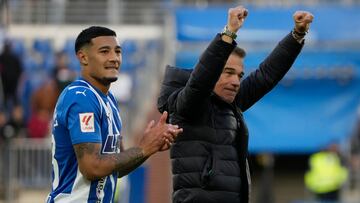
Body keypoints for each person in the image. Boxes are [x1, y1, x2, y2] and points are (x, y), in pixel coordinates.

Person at [157, 6, 313, 203]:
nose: (236, 81)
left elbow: (266, 75)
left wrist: (297, 35)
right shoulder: (188, 106)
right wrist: (229, 32)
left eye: (239, 75)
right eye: (228, 73)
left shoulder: (231, 104)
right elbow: (200, 81)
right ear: (211, 73)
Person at [46, 26, 182, 203]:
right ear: (83, 57)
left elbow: (116, 168)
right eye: (104, 51)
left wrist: (148, 147)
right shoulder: (81, 98)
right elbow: (92, 167)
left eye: (118, 51)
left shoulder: (109, 100)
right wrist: (144, 148)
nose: (114, 58)